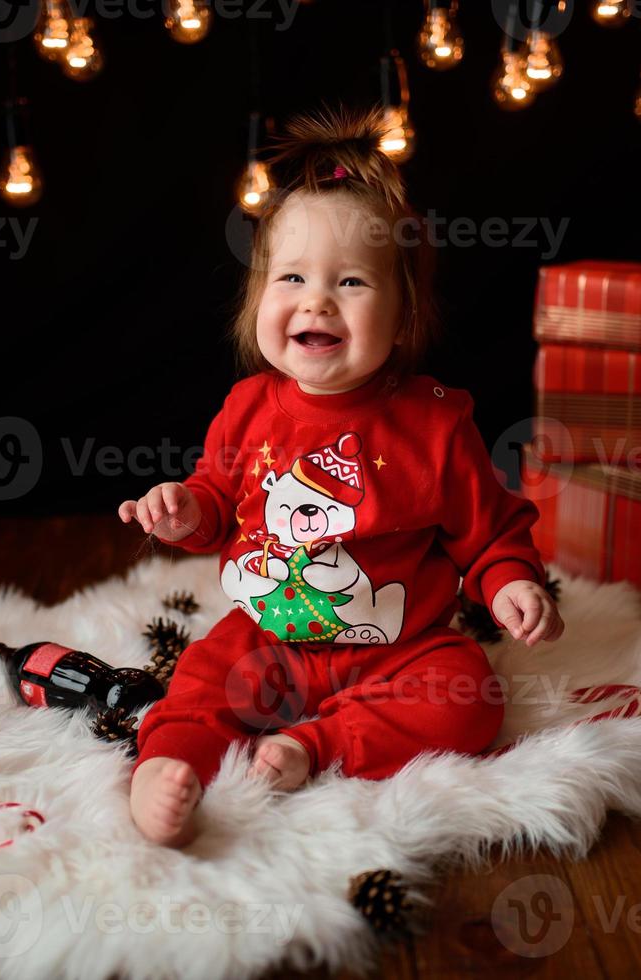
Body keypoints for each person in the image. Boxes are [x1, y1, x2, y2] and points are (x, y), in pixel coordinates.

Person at [117, 105, 564, 847]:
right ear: (260, 298)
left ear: (403, 313)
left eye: (351, 282)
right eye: (291, 276)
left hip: (402, 648)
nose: (317, 299)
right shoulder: (248, 407)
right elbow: (218, 507)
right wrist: (184, 512)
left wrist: (511, 581)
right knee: (201, 675)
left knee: (471, 701)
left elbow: (490, 535)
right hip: (272, 638)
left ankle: (315, 746)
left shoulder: (435, 424)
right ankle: (165, 768)